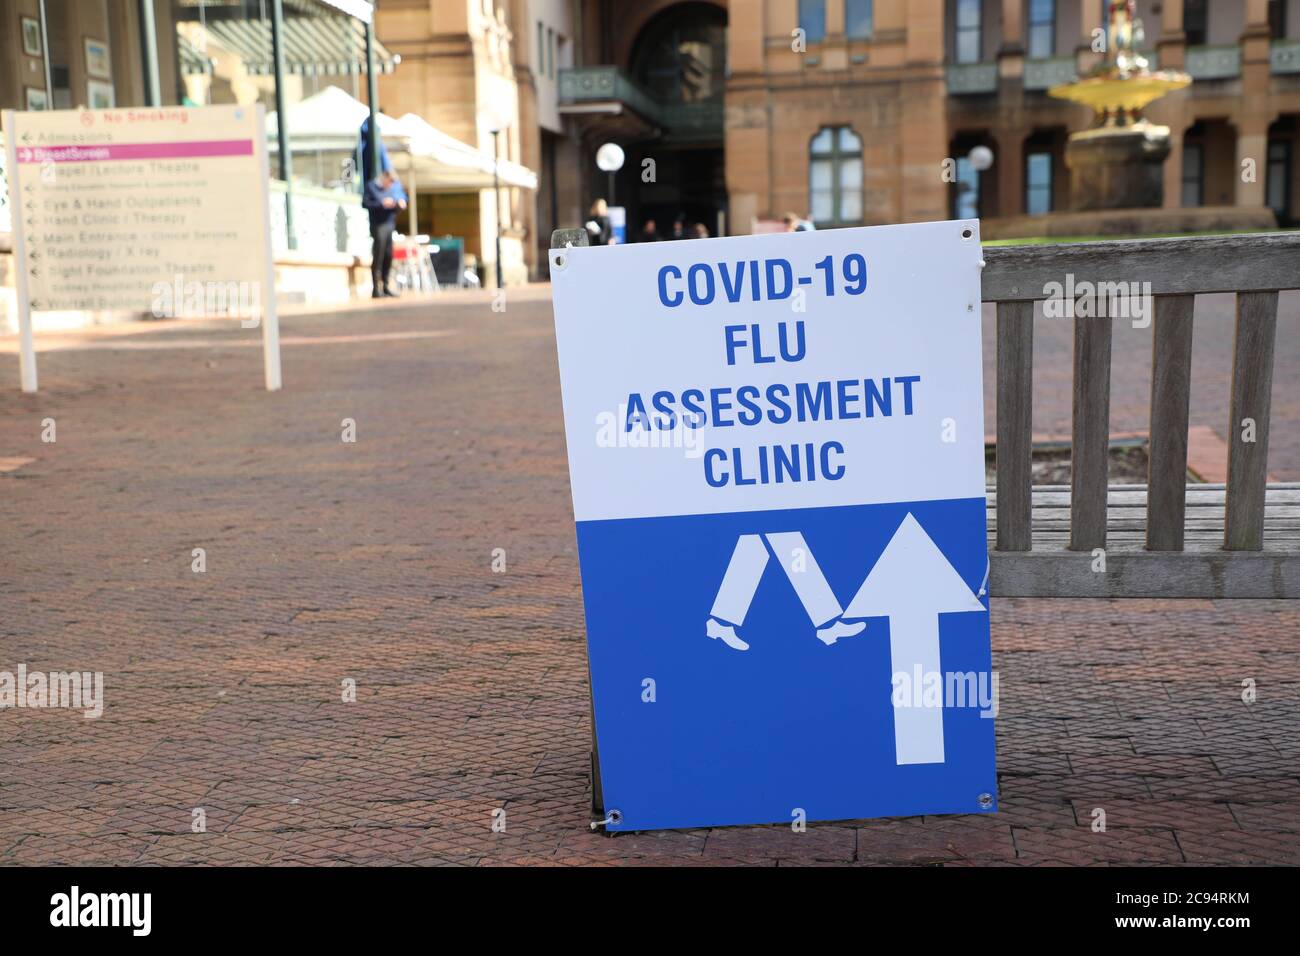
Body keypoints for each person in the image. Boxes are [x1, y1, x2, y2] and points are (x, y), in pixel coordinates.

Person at [363, 169, 406, 298]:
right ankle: (376, 288)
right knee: (378, 255)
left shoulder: (392, 190)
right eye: (390, 181)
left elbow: (399, 202)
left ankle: (386, 285)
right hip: (378, 225)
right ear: (384, 177)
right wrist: (381, 204)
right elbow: (365, 203)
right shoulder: (371, 186)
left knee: (388, 255)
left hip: (389, 224)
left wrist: (399, 205)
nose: (391, 184)